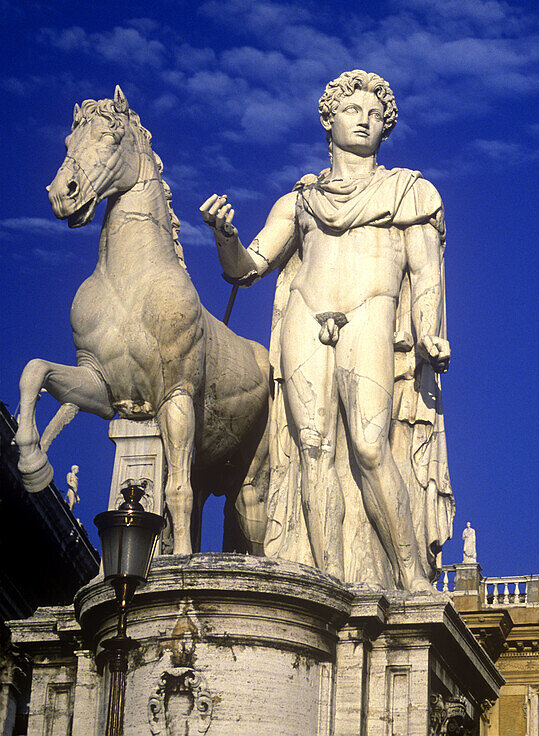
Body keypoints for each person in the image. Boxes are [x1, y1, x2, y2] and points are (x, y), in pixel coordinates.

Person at [201, 71, 452, 589]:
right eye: (353, 109)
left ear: (386, 130)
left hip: (371, 313)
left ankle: (410, 575)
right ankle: (330, 581)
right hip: (306, 315)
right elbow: (247, 267)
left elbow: (426, 270)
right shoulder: (300, 200)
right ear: (329, 119)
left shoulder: (409, 191)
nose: (365, 119)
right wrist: (226, 238)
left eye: (376, 115)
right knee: (313, 449)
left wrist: (428, 331)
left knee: (368, 445)